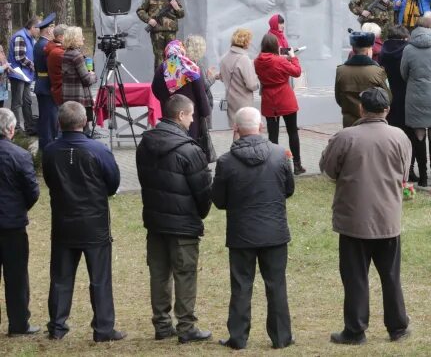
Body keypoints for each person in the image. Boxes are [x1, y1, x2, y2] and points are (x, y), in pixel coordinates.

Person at [320, 89, 412, 346]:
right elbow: (404, 173)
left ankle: (356, 329)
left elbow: (328, 169)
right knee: (391, 276)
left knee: (355, 276)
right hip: (388, 218)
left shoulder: (346, 137)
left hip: (354, 219)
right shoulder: (400, 137)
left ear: (361, 109)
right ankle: (397, 326)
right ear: (387, 110)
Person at [213, 106, 294, 350]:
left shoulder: (226, 161)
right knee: (276, 284)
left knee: (241, 285)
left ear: (235, 129)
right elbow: (288, 189)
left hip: (241, 234)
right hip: (274, 232)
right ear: (260, 127)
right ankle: (281, 337)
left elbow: (219, 200)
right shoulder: (280, 155)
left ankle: (238, 337)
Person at [43, 101, 124, 341]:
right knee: (99, 278)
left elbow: (50, 180)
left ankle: (57, 327)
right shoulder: (98, 150)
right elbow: (113, 182)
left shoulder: (50, 151)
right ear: (85, 122)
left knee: (60, 277)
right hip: (93, 224)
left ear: (60, 123)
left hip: (64, 222)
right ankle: (103, 328)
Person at [136, 94, 213, 343]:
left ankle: (161, 324)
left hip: (156, 221)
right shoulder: (190, 150)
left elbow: (143, 179)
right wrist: (200, 213)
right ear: (181, 115)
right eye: (190, 115)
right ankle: (186, 326)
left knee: (159, 273)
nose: (192, 121)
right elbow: (203, 192)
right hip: (183, 223)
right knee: (185, 273)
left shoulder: (145, 144)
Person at [0, 107, 39, 336]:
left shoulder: (19, 155)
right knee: (16, 277)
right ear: (11, 130)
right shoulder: (20, 155)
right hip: (12, 225)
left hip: (12, 220)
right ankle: (18, 324)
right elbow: (32, 191)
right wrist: (19, 209)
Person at [401, 15, 431, 185]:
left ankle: (422, 176)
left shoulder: (408, 49)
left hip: (415, 95)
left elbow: (403, 73)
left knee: (419, 134)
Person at [152, 40, 214, 162]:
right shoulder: (191, 67)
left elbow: (155, 89)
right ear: (181, 50)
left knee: (172, 140)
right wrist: (205, 112)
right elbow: (201, 93)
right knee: (190, 142)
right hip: (190, 115)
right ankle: (191, 164)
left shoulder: (162, 69)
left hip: (169, 113)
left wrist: (166, 101)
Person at [253, 34, 305, 175]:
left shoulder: (257, 61)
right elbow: (297, 72)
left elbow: (270, 65)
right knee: (292, 131)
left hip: (269, 98)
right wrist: (293, 57)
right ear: (275, 46)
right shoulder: (280, 61)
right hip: (285, 96)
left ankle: (273, 166)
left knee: (273, 135)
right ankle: (297, 165)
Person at [381, 26, 422, 183]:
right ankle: (409, 169)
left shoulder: (383, 51)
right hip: (408, 96)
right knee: (410, 136)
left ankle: (392, 169)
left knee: (392, 136)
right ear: (405, 37)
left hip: (390, 97)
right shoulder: (409, 50)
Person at [335, 30, 391, 128]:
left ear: (353, 48)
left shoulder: (341, 71)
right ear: (368, 50)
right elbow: (387, 98)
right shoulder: (377, 71)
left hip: (350, 122)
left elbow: (339, 99)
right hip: (373, 122)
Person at [136, 0, 186, 72]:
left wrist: (176, 8)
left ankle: (172, 81)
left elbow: (181, 15)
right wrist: (149, 20)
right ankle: (159, 82)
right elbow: (140, 11)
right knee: (159, 56)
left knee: (173, 56)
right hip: (157, 31)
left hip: (171, 32)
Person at [219, 28, 260, 125]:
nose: (250, 43)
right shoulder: (244, 59)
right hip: (243, 102)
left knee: (236, 130)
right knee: (246, 131)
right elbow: (251, 85)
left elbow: (222, 77)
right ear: (245, 42)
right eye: (249, 40)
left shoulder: (224, 58)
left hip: (230, 100)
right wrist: (259, 81)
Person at [7, 16, 39, 134]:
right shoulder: (20, 36)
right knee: (17, 102)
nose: (39, 31)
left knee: (27, 101)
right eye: (38, 28)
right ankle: (16, 129)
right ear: (32, 27)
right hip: (18, 74)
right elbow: (19, 56)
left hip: (26, 74)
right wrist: (33, 66)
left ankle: (30, 127)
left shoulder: (30, 37)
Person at [59, 27, 97, 126]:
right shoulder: (76, 56)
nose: (83, 38)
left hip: (69, 97)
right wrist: (93, 76)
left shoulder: (66, 53)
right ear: (75, 39)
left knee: (71, 127)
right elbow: (87, 80)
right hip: (79, 98)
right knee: (82, 129)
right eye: (81, 37)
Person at [32, 13, 58, 150]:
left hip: (43, 84)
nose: (54, 31)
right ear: (48, 30)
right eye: (53, 28)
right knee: (48, 120)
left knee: (46, 119)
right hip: (46, 85)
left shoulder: (41, 44)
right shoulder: (44, 45)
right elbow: (51, 66)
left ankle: (46, 148)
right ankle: (47, 149)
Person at [46, 25, 67, 106]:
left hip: (59, 90)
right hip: (62, 91)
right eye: (68, 36)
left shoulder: (54, 48)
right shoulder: (58, 52)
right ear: (60, 37)